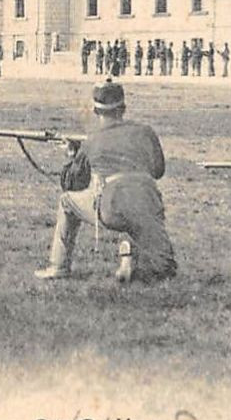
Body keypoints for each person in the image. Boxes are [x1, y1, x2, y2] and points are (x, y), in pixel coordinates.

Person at [37, 81, 176, 283]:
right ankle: (130, 260)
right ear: (124, 108)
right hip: (148, 204)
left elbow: (72, 182)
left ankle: (58, 266)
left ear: (95, 110)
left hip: (112, 206)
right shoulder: (145, 131)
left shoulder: (92, 140)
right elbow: (158, 171)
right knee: (165, 269)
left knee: (66, 201)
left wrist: (72, 154)